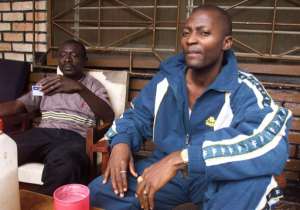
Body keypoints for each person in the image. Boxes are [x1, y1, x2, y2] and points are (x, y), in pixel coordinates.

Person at [88, 5, 292, 210]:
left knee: (253, 186)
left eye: (204, 33)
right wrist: (121, 143)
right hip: (167, 177)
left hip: (212, 177)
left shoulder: (243, 88)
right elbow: (136, 116)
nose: (191, 39)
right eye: (186, 33)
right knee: (98, 192)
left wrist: (182, 158)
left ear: (226, 42)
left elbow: (270, 141)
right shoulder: (166, 81)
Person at [0, 39, 114, 195]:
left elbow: (109, 116)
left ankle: (43, 202)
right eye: (63, 55)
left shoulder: (94, 86)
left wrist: (80, 89)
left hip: (74, 138)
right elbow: (17, 105)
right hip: (42, 133)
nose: (67, 59)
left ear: (84, 60)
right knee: (5, 149)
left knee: (67, 163)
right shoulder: (45, 83)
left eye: (74, 55)